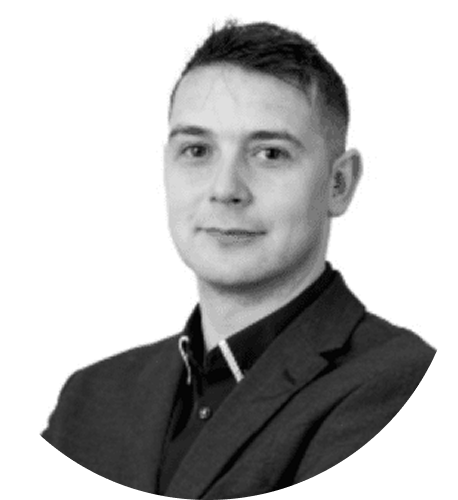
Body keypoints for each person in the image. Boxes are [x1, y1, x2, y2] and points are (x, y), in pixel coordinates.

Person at [41, 20, 436, 498]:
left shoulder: (407, 390)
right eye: (196, 150)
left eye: (270, 153)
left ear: (339, 184)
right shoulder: (90, 401)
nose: (225, 188)